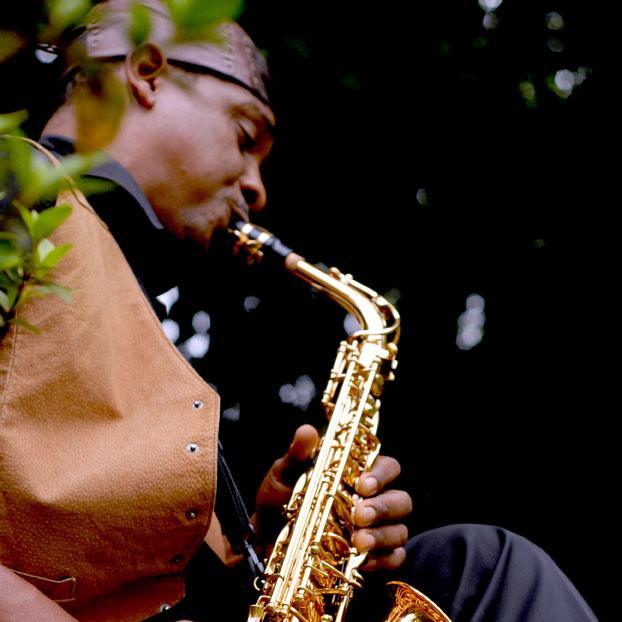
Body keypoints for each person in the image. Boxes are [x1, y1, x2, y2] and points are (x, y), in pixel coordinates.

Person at [0, 1, 598, 620]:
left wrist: (257, 555)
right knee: (490, 572)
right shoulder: (10, 192)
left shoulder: (128, 297)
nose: (257, 187)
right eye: (244, 135)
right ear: (148, 71)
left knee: (461, 568)